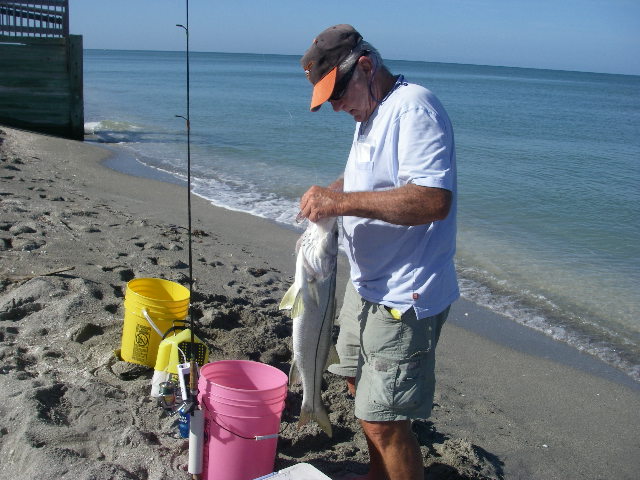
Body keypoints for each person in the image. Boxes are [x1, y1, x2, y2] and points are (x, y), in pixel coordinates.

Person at [298, 25, 459, 480]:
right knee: (357, 385)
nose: (335, 106)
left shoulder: (414, 108)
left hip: (404, 295)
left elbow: (432, 199)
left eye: (338, 92)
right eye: (327, 98)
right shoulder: (370, 111)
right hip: (365, 283)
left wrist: (342, 204)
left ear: (366, 67)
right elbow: (371, 177)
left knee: (383, 419)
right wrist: (331, 192)